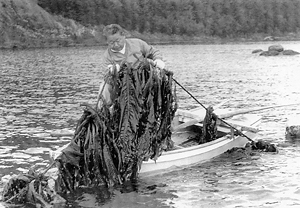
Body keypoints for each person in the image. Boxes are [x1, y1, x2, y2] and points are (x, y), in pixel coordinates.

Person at [98, 24, 166, 106]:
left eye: (118, 41)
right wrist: (112, 72)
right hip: (122, 86)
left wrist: (158, 60)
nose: (116, 45)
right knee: (104, 88)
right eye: (111, 43)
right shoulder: (107, 56)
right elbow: (106, 76)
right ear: (107, 42)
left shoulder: (137, 44)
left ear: (124, 36)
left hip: (142, 81)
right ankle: (105, 111)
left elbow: (153, 52)